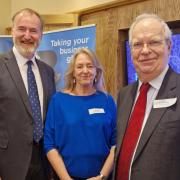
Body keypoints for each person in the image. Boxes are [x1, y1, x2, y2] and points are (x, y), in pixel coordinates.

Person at [113, 13, 180, 180]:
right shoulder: (124, 95)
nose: (145, 51)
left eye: (154, 42)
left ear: (169, 46)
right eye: (137, 44)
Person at [44, 48, 116, 180]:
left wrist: (102, 176)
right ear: (73, 72)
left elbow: (116, 143)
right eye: (79, 66)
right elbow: (49, 144)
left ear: (96, 71)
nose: (85, 71)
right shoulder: (58, 100)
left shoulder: (107, 100)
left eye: (90, 66)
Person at [0, 8, 56, 180]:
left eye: (33, 30)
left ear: (41, 35)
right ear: (12, 32)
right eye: (21, 29)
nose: (27, 35)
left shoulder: (47, 72)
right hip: (9, 164)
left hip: (44, 162)